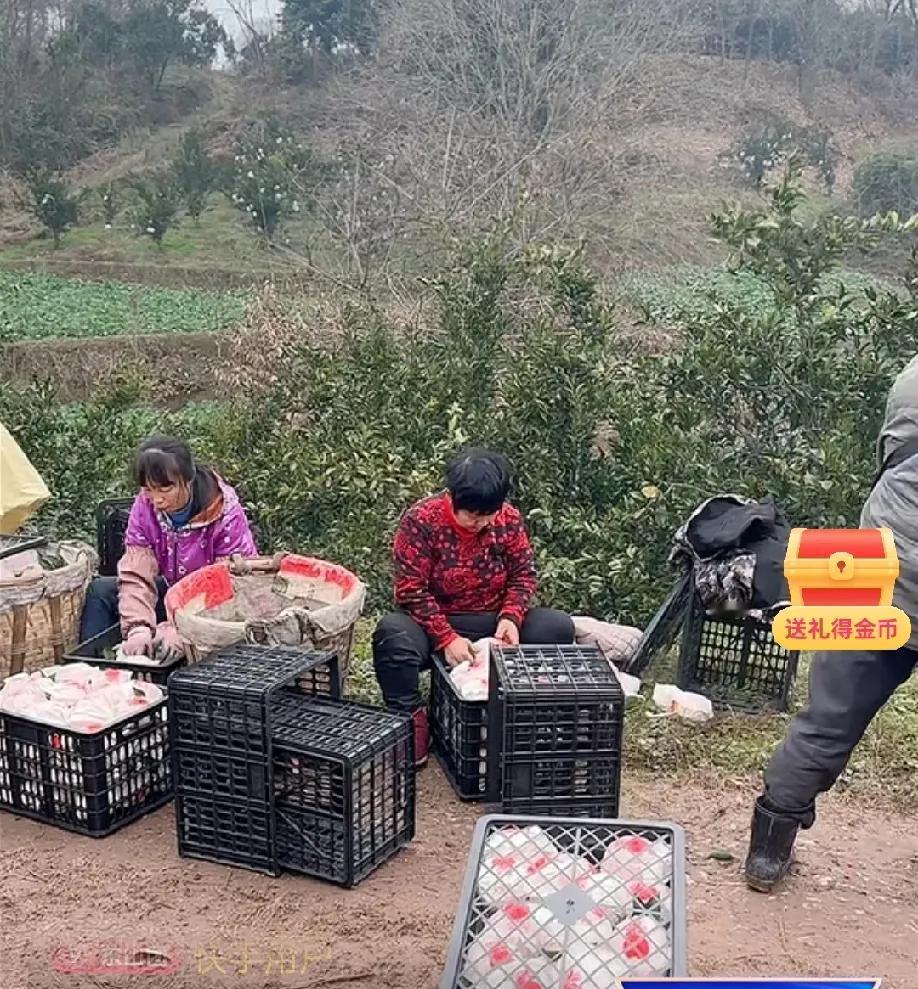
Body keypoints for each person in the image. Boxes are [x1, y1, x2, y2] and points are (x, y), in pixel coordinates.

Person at [744, 355, 918, 892]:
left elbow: (891, 454)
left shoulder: (912, 374)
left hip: (881, 553)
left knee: (827, 715)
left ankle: (767, 852)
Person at [372, 448, 575, 766]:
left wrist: (511, 617)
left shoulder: (508, 519)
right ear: (452, 497)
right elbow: (410, 591)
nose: (480, 523)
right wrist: (446, 637)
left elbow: (523, 575)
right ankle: (411, 724)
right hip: (436, 622)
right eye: (472, 515)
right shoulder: (422, 521)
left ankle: (526, 717)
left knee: (557, 627)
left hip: (491, 619)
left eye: (487, 515)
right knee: (392, 635)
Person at [80, 435, 258, 661]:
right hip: (172, 588)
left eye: (165, 488)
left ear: (188, 479)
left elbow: (228, 585)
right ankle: (92, 672)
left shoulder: (225, 513)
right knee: (101, 592)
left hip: (218, 607)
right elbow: (137, 571)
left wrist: (181, 628)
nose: (157, 499)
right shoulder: (144, 507)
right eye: (148, 489)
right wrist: (138, 626)